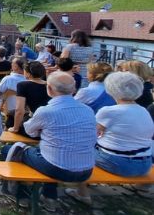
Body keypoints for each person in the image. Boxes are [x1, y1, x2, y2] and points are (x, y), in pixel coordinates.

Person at [10, 72, 96, 211]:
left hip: (57, 168)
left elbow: (29, 131)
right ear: (74, 89)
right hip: (86, 170)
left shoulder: (46, 111)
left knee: (13, 150)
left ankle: (23, 195)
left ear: (49, 89)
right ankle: (50, 197)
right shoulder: (88, 110)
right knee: (49, 153)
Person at [65, 71, 154, 205]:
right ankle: (143, 186)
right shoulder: (144, 111)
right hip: (144, 164)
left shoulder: (109, 111)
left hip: (117, 163)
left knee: (77, 150)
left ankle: (82, 193)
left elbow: (89, 135)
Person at [9, 61, 50, 133]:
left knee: (11, 120)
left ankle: (12, 141)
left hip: (36, 123)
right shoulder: (50, 84)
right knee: (11, 113)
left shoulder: (23, 85)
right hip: (50, 121)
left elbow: (19, 110)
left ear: (28, 73)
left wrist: (15, 128)